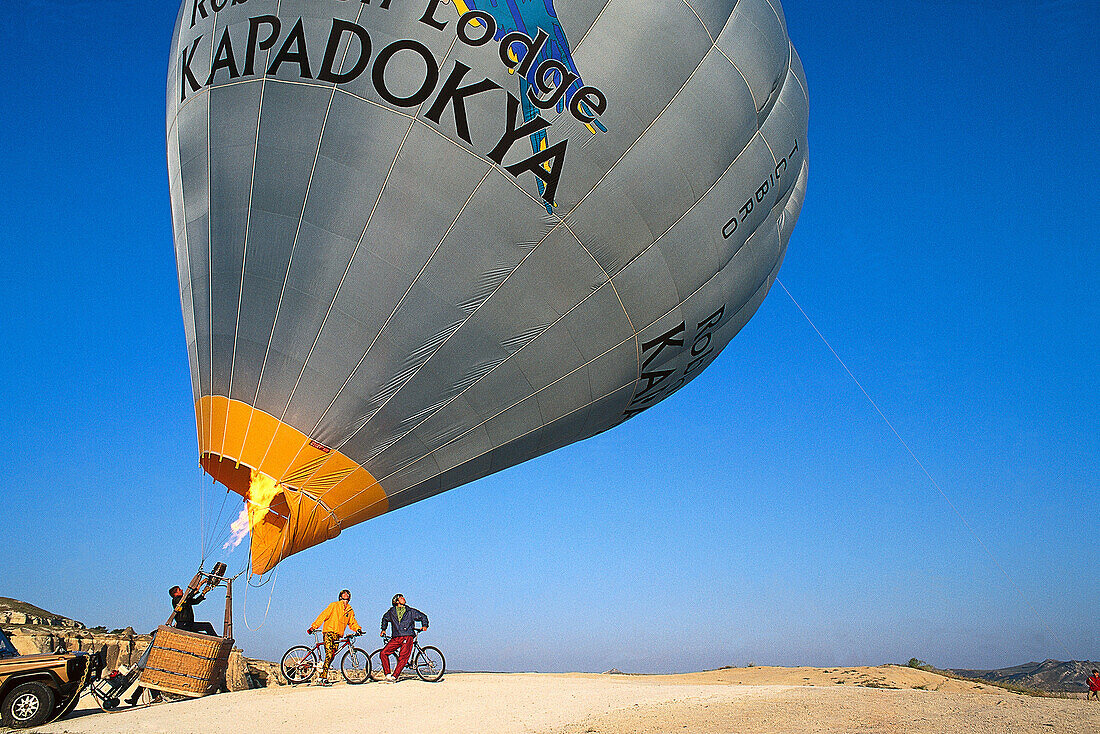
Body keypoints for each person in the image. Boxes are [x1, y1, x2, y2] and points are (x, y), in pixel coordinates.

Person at [309, 589, 363, 684]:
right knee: (329, 655)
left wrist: (358, 629)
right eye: (344, 593)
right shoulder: (334, 605)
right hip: (329, 632)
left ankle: (322, 674)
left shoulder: (350, 610)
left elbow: (352, 622)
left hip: (338, 635)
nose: (346, 594)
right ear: (340, 596)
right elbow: (323, 615)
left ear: (349, 597)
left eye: (347, 593)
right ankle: (323, 678)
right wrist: (314, 626)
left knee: (332, 655)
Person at [378, 594, 428, 682]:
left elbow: (423, 616)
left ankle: (395, 676)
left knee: (403, 657)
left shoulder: (410, 611)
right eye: (401, 598)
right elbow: (384, 618)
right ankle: (388, 674)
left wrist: (424, 625)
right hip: (396, 636)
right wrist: (383, 629)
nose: (404, 599)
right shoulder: (391, 611)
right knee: (383, 653)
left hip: (407, 635)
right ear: (396, 601)